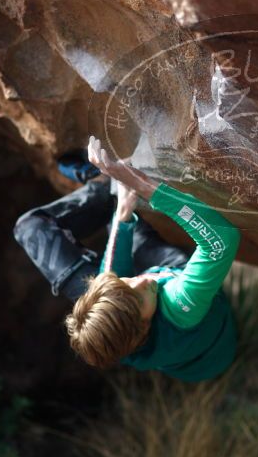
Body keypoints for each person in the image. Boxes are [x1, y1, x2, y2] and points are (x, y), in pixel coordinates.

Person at [13, 136, 241, 382]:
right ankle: (99, 180)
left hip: (192, 351)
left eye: (125, 284)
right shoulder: (181, 306)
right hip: (202, 337)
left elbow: (115, 277)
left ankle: (103, 183)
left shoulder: (121, 330)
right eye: (138, 296)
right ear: (144, 326)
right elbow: (221, 241)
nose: (139, 281)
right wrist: (146, 188)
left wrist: (123, 210)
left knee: (119, 218)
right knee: (130, 220)